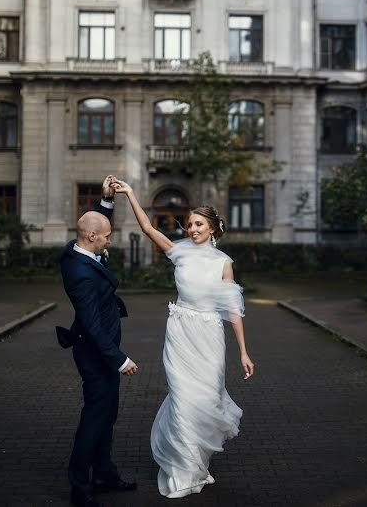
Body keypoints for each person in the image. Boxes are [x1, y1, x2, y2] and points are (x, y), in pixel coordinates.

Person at [111, 177, 254, 498]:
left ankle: (197, 461)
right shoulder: (179, 252)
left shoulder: (224, 264)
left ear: (213, 228)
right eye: (190, 224)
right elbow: (148, 228)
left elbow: (233, 310)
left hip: (209, 337)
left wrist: (244, 351)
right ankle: (184, 467)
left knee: (206, 398)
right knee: (184, 397)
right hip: (180, 333)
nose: (193, 229)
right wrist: (131, 193)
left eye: (199, 224)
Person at [57, 176, 138, 507]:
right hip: (94, 353)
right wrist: (119, 359)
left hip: (101, 349)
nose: (109, 241)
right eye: (105, 237)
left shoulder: (80, 250)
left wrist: (107, 202)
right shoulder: (80, 274)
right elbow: (91, 326)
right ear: (92, 237)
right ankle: (79, 486)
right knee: (95, 417)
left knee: (108, 414)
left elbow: (94, 226)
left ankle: (104, 474)